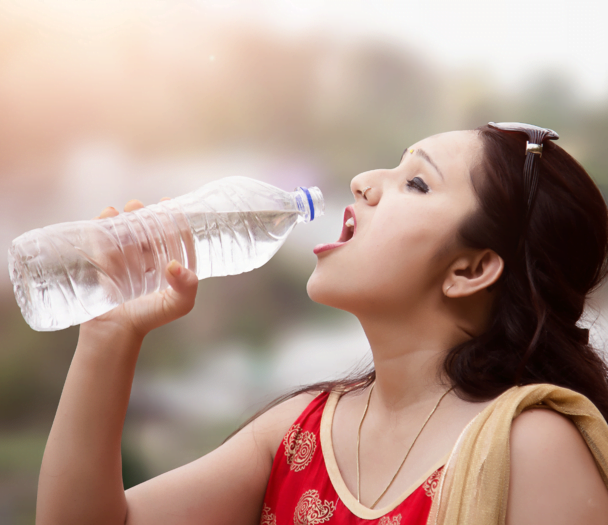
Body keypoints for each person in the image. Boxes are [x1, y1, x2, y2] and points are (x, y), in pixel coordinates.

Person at [35, 123, 608, 525]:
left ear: (471, 268)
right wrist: (109, 333)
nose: (362, 181)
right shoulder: (299, 432)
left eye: (416, 182)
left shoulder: (529, 447)